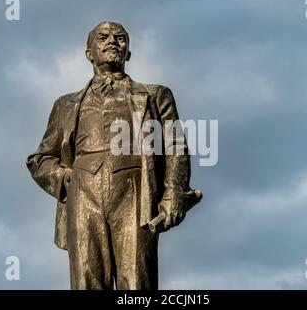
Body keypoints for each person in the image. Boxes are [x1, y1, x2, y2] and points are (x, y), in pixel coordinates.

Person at [26, 21, 195, 290]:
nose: (113, 42)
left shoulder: (155, 95)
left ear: (128, 53)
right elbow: (40, 158)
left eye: (120, 38)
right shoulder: (65, 105)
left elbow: (176, 146)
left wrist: (174, 193)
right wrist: (64, 179)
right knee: (86, 280)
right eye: (103, 37)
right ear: (89, 53)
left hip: (135, 191)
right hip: (83, 193)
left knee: (137, 282)